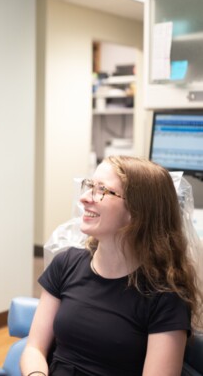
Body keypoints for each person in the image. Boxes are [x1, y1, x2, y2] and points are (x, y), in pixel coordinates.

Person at [21, 155, 203, 376]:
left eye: (102, 190)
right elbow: (34, 349)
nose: (85, 198)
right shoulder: (65, 264)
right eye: (89, 186)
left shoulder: (165, 297)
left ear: (137, 212)